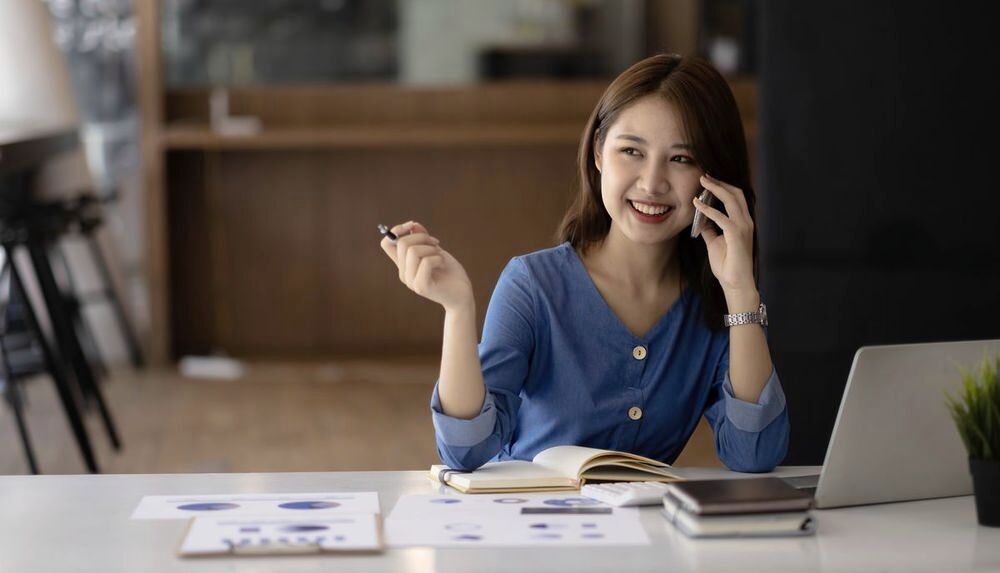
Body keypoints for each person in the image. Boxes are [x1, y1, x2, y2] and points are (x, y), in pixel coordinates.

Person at [380, 54, 789, 473]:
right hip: (528, 525)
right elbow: (465, 451)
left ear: (715, 175)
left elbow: (754, 455)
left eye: (681, 159)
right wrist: (458, 309)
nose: (651, 183)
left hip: (647, 535)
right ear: (598, 154)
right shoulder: (533, 285)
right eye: (631, 151)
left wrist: (741, 293)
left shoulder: (718, 304)